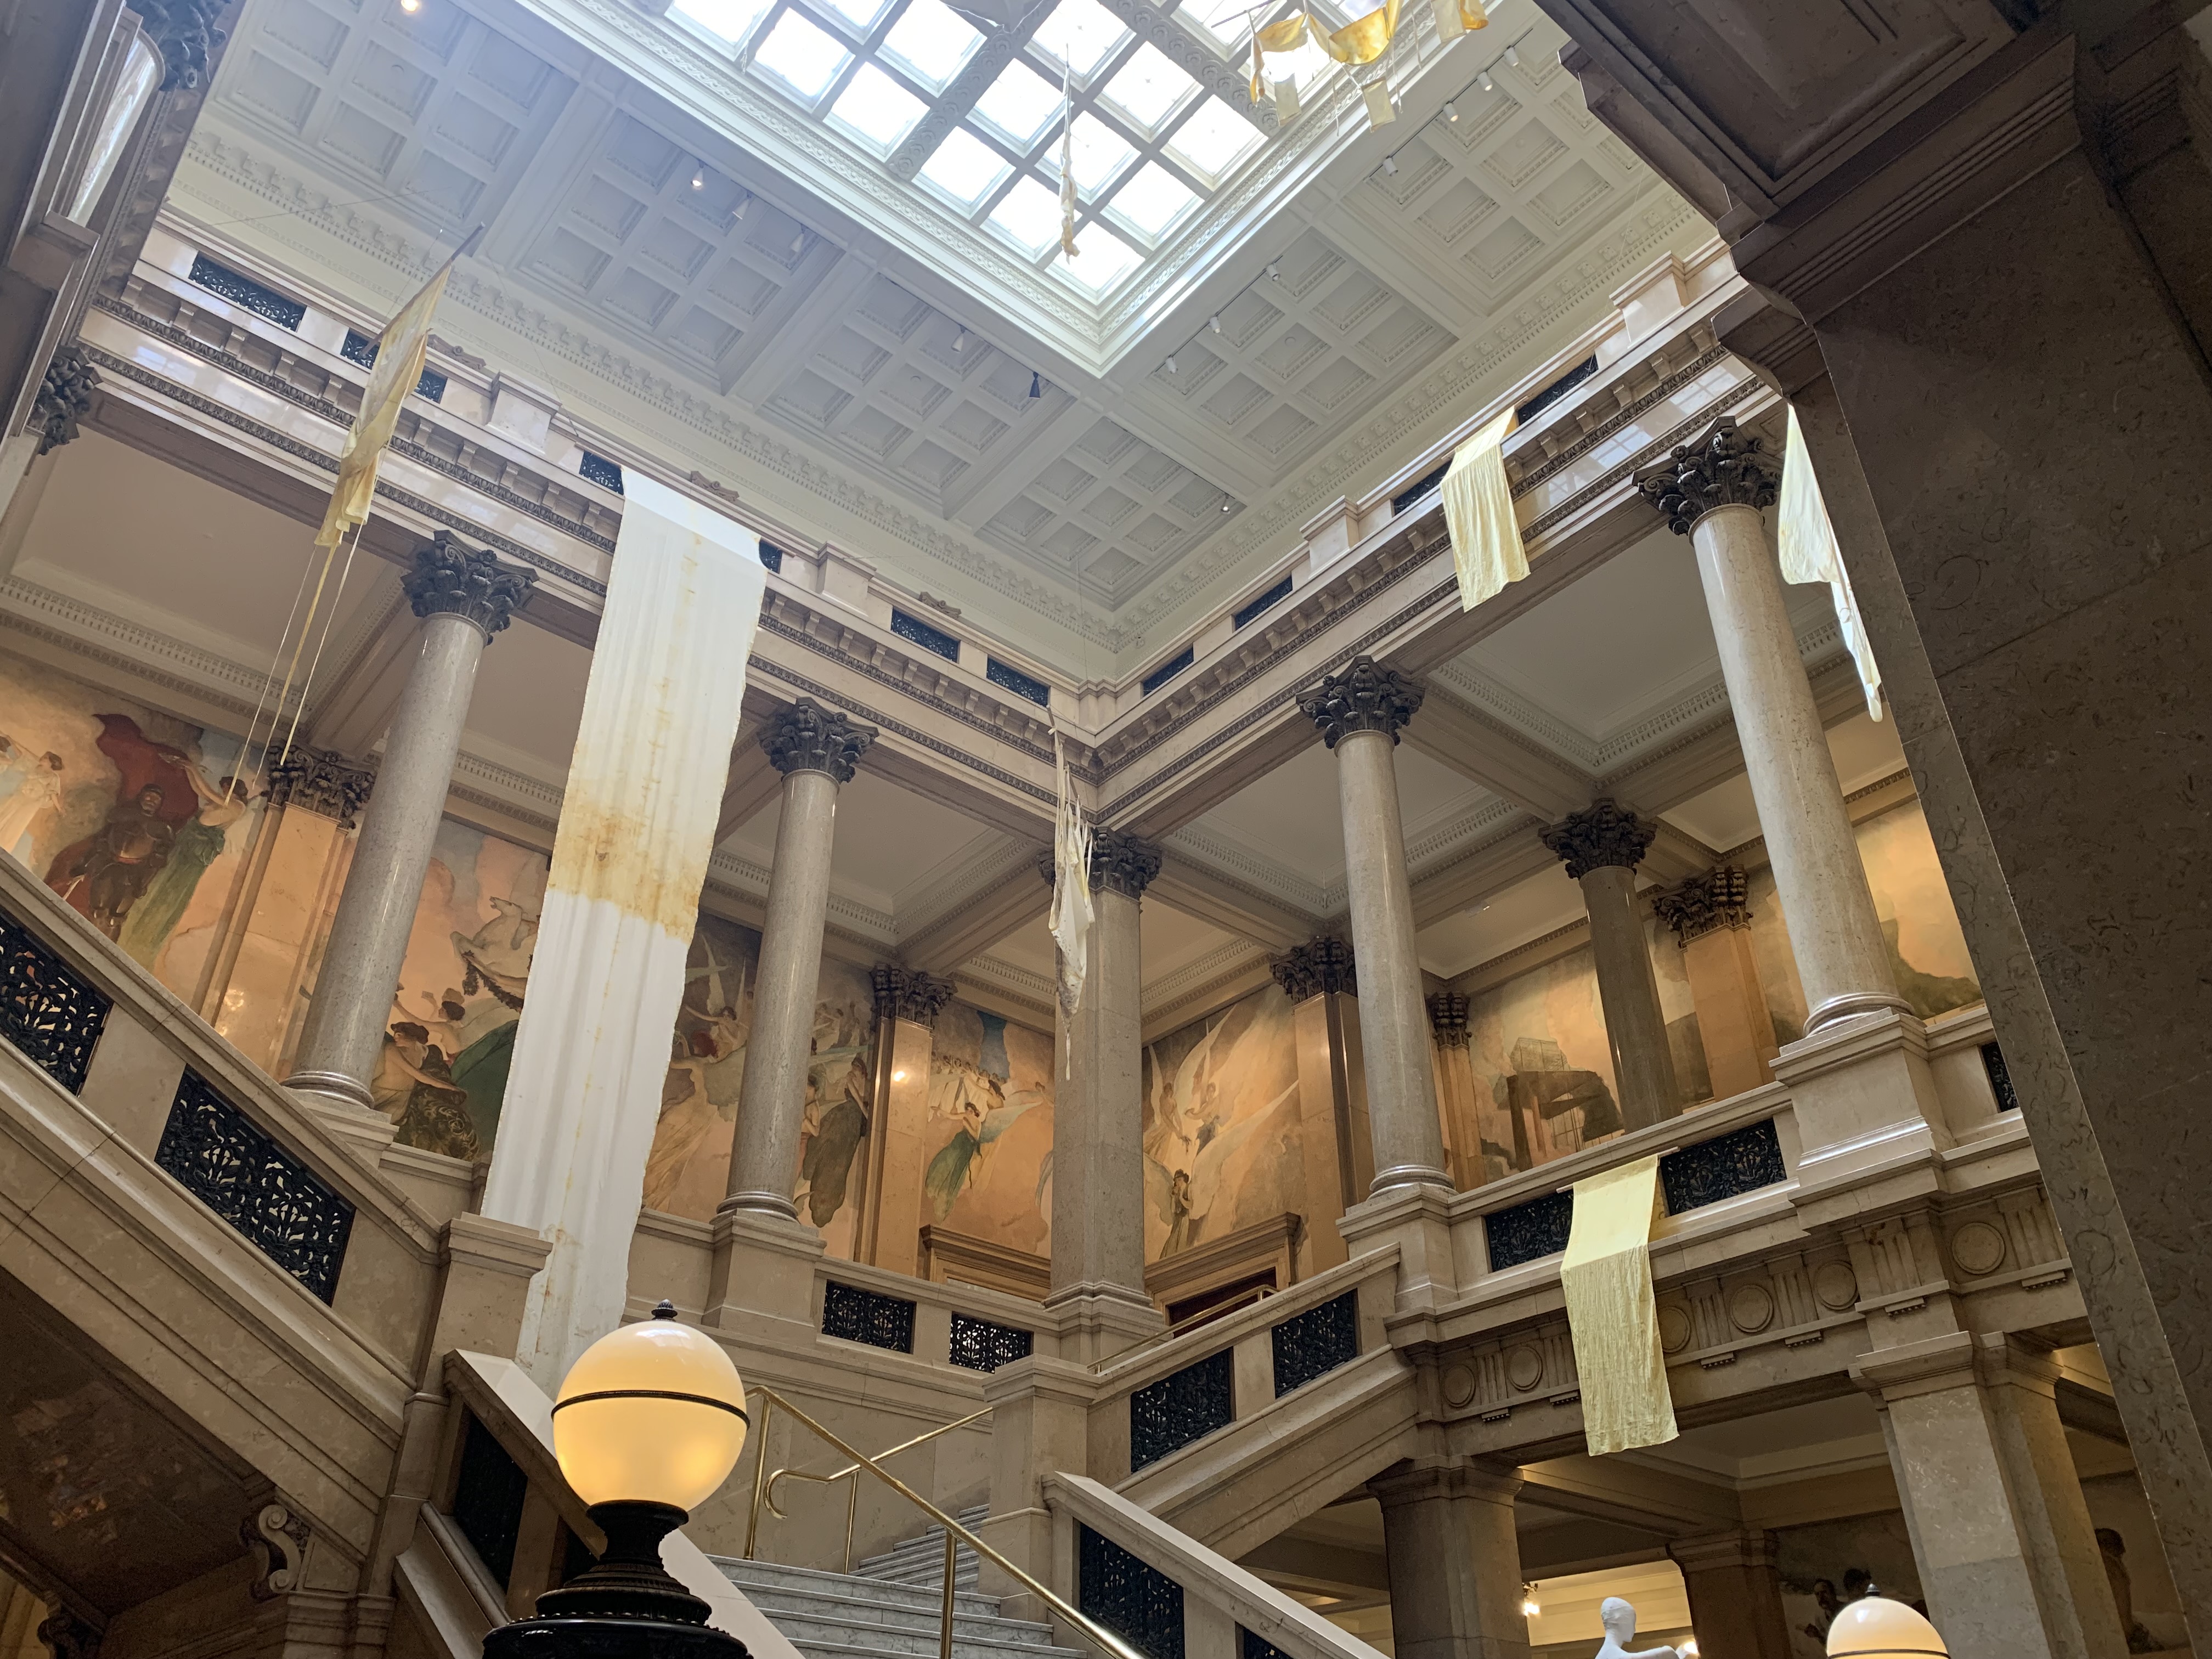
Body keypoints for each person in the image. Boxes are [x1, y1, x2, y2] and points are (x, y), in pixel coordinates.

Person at [59, 785, 173, 939]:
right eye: (149, 796)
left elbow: (157, 862)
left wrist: (143, 883)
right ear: (141, 796)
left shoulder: (162, 829)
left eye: (156, 799)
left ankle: (104, 948)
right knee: (97, 909)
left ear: (160, 803)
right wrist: (85, 863)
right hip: (108, 864)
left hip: (134, 874)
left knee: (116, 918)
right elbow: (102, 839)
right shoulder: (121, 814)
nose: (151, 800)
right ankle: (81, 940)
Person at [1593, 1597, 1678, 1659]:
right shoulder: (1609, 1654)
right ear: (1618, 1618)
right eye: (1632, 1622)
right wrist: (1667, 1652)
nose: (1634, 1630)